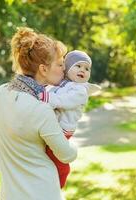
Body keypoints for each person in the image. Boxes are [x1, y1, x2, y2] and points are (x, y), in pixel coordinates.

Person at [0, 27, 77, 200]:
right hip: (42, 193)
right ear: (43, 69)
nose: (64, 69)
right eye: (60, 64)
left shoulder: (0, 93)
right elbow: (67, 154)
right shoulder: (41, 110)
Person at [38, 50, 100, 188]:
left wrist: (48, 98)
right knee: (46, 152)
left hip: (64, 127)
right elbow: (52, 89)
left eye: (87, 68)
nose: (82, 70)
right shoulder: (64, 84)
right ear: (67, 68)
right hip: (57, 124)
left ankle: (60, 177)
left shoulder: (80, 90)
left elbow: (66, 101)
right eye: (78, 66)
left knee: (55, 154)